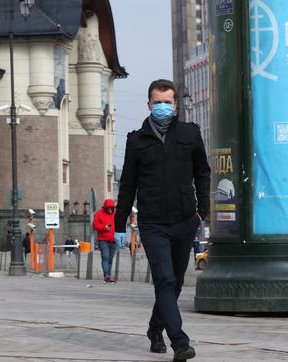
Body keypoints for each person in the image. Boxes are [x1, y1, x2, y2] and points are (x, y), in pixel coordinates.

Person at [114, 79, 210, 361]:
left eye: (168, 102)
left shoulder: (190, 134)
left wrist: (201, 212)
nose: (163, 107)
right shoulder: (136, 140)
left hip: (184, 219)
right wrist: (120, 224)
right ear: (149, 104)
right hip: (152, 222)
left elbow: (202, 173)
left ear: (176, 105)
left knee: (176, 282)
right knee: (164, 280)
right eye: (158, 102)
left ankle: (155, 328)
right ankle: (180, 342)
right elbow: (127, 185)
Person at [92, 199, 116, 283]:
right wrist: (104, 227)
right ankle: (106, 275)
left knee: (110, 259)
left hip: (114, 240)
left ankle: (108, 275)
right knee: (105, 257)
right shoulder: (99, 214)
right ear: (105, 208)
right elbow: (95, 225)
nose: (110, 210)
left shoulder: (115, 214)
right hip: (103, 240)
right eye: (108, 208)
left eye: (111, 208)